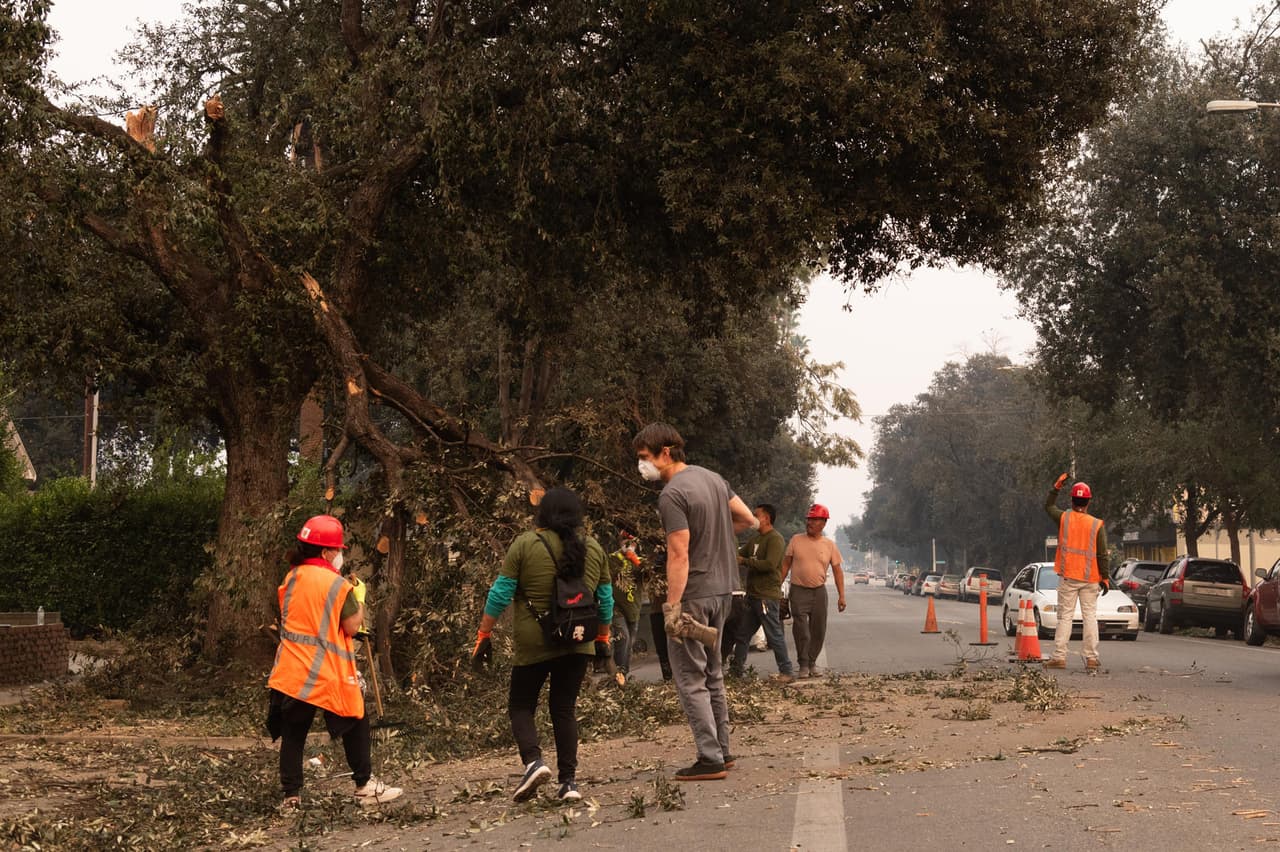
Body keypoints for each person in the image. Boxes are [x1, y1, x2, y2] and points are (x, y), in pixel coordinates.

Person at [471, 487, 614, 802]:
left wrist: (484, 634)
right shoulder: (593, 547)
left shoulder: (525, 544)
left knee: (521, 705)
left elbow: (499, 594)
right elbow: (605, 601)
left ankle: (534, 761)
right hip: (579, 642)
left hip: (535, 643)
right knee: (563, 708)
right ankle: (569, 783)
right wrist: (602, 639)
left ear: (543, 514)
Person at [634, 422, 758, 781]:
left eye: (644, 458)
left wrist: (672, 608)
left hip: (694, 596)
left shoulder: (672, 495)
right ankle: (723, 749)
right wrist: (714, 533)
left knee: (690, 678)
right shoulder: (714, 480)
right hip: (724, 593)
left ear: (666, 453)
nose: (642, 466)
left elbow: (678, 554)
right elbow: (747, 518)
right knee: (713, 673)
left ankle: (709, 757)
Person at [267, 514, 402, 809]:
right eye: (338, 550)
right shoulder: (337, 584)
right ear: (327, 552)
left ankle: (291, 796)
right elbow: (353, 626)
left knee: (294, 734)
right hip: (327, 671)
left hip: (292, 670)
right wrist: (359, 597)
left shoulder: (291, 578)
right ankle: (365, 786)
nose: (340, 555)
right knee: (356, 719)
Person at [1043, 474, 1110, 671]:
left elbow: (1048, 507)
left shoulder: (1064, 518)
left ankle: (1059, 657)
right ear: (1088, 501)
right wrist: (1104, 577)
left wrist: (1056, 487)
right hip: (1090, 579)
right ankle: (1091, 658)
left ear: (1072, 500)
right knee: (1090, 616)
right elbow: (1102, 554)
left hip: (1069, 576)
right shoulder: (1096, 524)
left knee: (1065, 617)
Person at [731, 503, 795, 682]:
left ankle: (787, 672)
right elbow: (738, 554)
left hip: (767, 597)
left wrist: (745, 561)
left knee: (774, 635)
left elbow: (770, 564)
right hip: (753, 596)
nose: (752, 518)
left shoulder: (775, 539)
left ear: (766, 518)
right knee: (742, 635)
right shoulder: (755, 539)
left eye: (756, 515)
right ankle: (736, 672)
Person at [781, 503, 845, 678]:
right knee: (801, 628)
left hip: (819, 592)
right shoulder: (796, 540)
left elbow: (837, 571)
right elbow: (786, 564)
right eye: (808, 519)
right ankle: (803, 663)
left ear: (823, 523)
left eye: (814, 520)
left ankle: (812, 662)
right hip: (798, 590)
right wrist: (777, 586)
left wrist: (841, 596)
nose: (809, 523)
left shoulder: (829, 545)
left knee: (818, 629)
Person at [609, 529, 643, 684]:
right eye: (625, 541)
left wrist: (635, 560)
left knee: (630, 643)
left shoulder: (640, 561)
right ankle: (619, 675)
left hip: (634, 608)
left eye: (631, 542)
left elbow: (650, 576)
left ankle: (624, 676)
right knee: (624, 638)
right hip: (616, 608)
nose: (628, 545)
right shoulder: (613, 559)